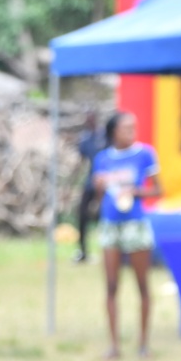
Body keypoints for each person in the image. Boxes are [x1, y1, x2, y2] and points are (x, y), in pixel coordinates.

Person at [91, 111, 163, 360]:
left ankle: (143, 345)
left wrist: (136, 191)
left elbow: (157, 189)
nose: (131, 131)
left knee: (142, 285)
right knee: (111, 286)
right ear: (113, 132)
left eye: (134, 127)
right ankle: (113, 346)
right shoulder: (102, 159)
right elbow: (100, 199)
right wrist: (100, 188)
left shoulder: (145, 154)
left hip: (135, 225)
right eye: (126, 128)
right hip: (111, 225)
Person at [72, 110, 102, 263]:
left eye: (91, 119)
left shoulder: (104, 137)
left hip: (106, 184)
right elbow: (81, 163)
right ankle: (83, 251)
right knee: (83, 215)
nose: (89, 122)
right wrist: (73, 183)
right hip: (91, 182)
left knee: (105, 217)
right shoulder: (85, 139)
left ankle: (111, 251)